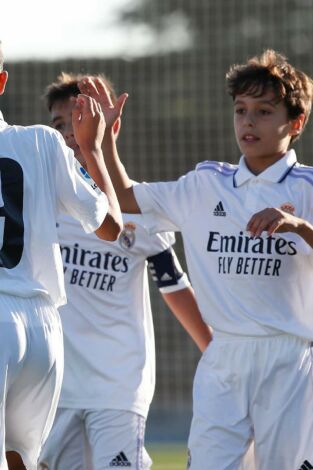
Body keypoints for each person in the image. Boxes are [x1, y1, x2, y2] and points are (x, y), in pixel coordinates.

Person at [80, 49, 313, 469]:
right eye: (241, 110)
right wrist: (103, 145)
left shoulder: (308, 189)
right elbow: (127, 197)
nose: (248, 121)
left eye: (264, 111)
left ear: (295, 123)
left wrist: (297, 226)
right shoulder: (206, 183)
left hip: (290, 362)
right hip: (222, 360)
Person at [38, 73, 212, 470]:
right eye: (60, 124)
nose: (70, 132)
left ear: (109, 125)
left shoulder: (135, 209)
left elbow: (174, 284)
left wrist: (218, 352)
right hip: (55, 389)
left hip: (118, 388)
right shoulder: (39, 202)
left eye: (80, 118)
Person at [0, 44, 123, 470]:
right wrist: (94, 148)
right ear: (1, 82)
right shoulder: (43, 140)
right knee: (22, 460)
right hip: (42, 330)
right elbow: (111, 228)